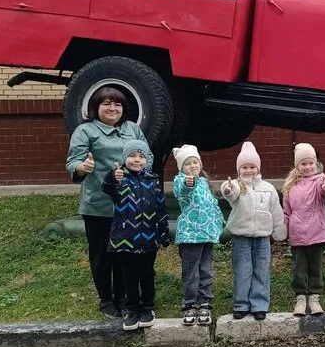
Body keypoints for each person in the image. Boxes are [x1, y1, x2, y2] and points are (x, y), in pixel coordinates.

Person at [65, 86, 146, 319]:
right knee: (101, 254)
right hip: (98, 204)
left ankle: (123, 296)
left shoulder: (132, 129)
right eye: (106, 104)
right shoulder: (85, 131)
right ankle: (106, 299)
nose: (112, 108)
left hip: (129, 204)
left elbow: (146, 156)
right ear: (96, 108)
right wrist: (83, 167)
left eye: (117, 104)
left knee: (124, 253)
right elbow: (73, 163)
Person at [101, 140, 170, 331]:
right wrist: (113, 178)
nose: (137, 160)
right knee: (128, 276)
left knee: (147, 273)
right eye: (132, 156)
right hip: (125, 239)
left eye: (141, 156)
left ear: (147, 160)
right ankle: (131, 309)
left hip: (148, 238)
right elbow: (106, 187)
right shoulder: (120, 178)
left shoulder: (152, 179)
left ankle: (148, 306)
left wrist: (163, 234)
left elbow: (160, 207)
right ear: (124, 158)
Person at [221, 142, 286, 321]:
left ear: (257, 168)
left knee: (261, 269)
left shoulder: (268, 188)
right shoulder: (236, 185)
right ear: (238, 169)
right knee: (242, 270)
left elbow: (276, 211)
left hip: (262, 237)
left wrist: (279, 231)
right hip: (241, 236)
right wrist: (227, 190)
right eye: (244, 167)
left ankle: (259, 305)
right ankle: (241, 305)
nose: (248, 170)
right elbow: (229, 193)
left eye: (252, 167)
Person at [172, 144, 224, 326]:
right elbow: (183, 192)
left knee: (205, 269)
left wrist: (219, 224)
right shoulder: (182, 181)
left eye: (195, 162)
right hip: (190, 236)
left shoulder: (204, 183)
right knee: (191, 271)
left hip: (207, 235)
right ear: (181, 168)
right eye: (188, 164)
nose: (192, 166)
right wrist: (188, 182)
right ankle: (189, 303)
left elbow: (212, 207)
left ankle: (205, 302)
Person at [283, 143, 325, 316]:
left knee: (315, 266)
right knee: (299, 267)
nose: (308, 167)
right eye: (303, 164)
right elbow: (286, 211)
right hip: (297, 233)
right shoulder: (290, 186)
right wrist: (284, 229)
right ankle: (300, 297)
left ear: (316, 163)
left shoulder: (320, 180)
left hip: (316, 232)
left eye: (311, 163)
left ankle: (314, 296)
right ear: (297, 166)